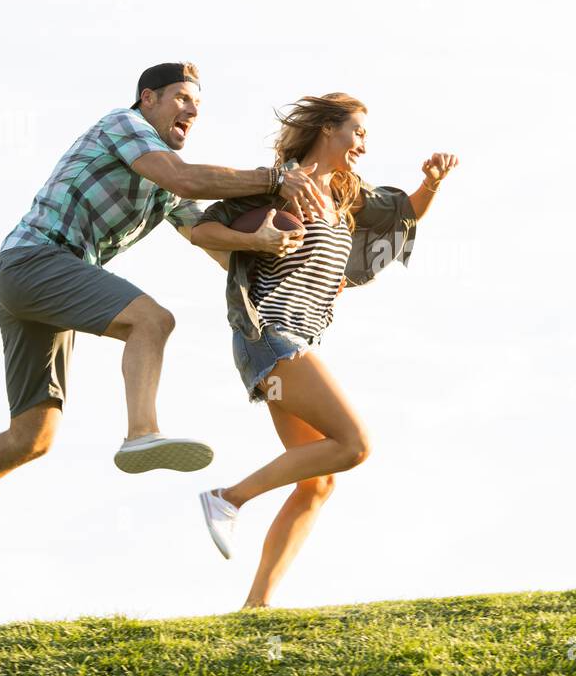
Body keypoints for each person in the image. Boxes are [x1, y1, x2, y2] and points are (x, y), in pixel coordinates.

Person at [0, 62, 325, 600]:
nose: (191, 111)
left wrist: (267, 252)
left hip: (38, 284)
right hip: (34, 260)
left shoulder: (166, 176)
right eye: (181, 98)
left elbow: (205, 233)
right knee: (152, 319)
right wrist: (274, 178)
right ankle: (142, 433)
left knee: (32, 437)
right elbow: (181, 177)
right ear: (148, 99)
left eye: (198, 106)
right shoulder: (123, 127)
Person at [180, 92, 459, 608]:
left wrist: (431, 184)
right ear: (328, 129)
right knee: (354, 444)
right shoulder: (279, 184)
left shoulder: (348, 196)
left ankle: (255, 606)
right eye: (357, 131)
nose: (363, 144)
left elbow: (404, 213)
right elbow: (200, 227)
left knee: (318, 482)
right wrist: (259, 242)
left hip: (297, 339)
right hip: (270, 333)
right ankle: (228, 498)